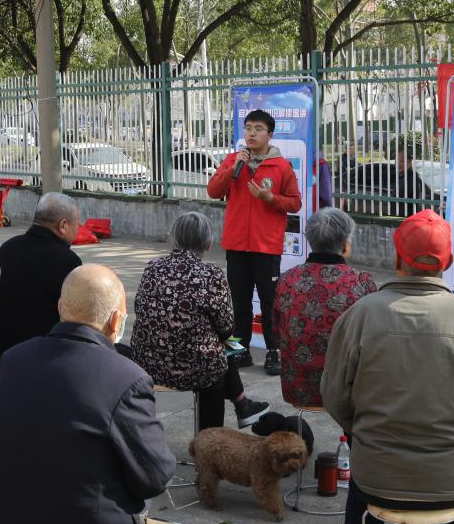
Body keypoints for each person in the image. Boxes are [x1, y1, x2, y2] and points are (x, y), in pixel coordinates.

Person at [321, 209, 454, 524]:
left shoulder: (360, 315)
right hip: (451, 478)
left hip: (376, 472)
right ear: (448, 262)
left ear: (396, 258)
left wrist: (363, 430)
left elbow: (334, 397)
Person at [0, 265, 175, 524]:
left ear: (61, 307)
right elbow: (154, 476)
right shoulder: (126, 378)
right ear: (116, 320)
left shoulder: (14, 359)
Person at [131, 212, 269, 429]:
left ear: (175, 239)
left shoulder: (152, 267)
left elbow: (140, 309)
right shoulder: (211, 275)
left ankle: (242, 402)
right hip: (195, 369)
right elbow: (226, 327)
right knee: (227, 346)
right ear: (208, 243)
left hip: (149, 364)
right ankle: (227, 418)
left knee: (221, 345)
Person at [207, 109, 302, 375]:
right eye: (248, 128)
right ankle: (239, 351)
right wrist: (231, 170)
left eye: (258, 129)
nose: (251, 133)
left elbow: (295, 202)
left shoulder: (281, 166)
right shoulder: (233, 161)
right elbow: (213, 191)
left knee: (270, 302)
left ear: (269, 134)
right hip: (236, 244)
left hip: (266, 246)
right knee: (238, 302)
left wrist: (270, 198)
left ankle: (274, 351)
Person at [273, 208, 377, 408]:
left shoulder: (287, 279)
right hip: (346, 393)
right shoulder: (362, 281)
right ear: (345, 245)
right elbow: (372, 340)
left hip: (298, 388)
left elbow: (276, 333)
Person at [0, 192, 82, 355]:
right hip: (44, 353)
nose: (78, 229)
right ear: (63, 225)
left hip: (4, 348)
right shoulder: (67, 260)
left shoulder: (7, 248)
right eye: (77, 224)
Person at [393, 148, 434, 217]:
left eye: (402, 161)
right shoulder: (399, 177)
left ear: (409, 162)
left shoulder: (412, 179)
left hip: (409, 218)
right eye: (397, 161)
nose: (398, 164)